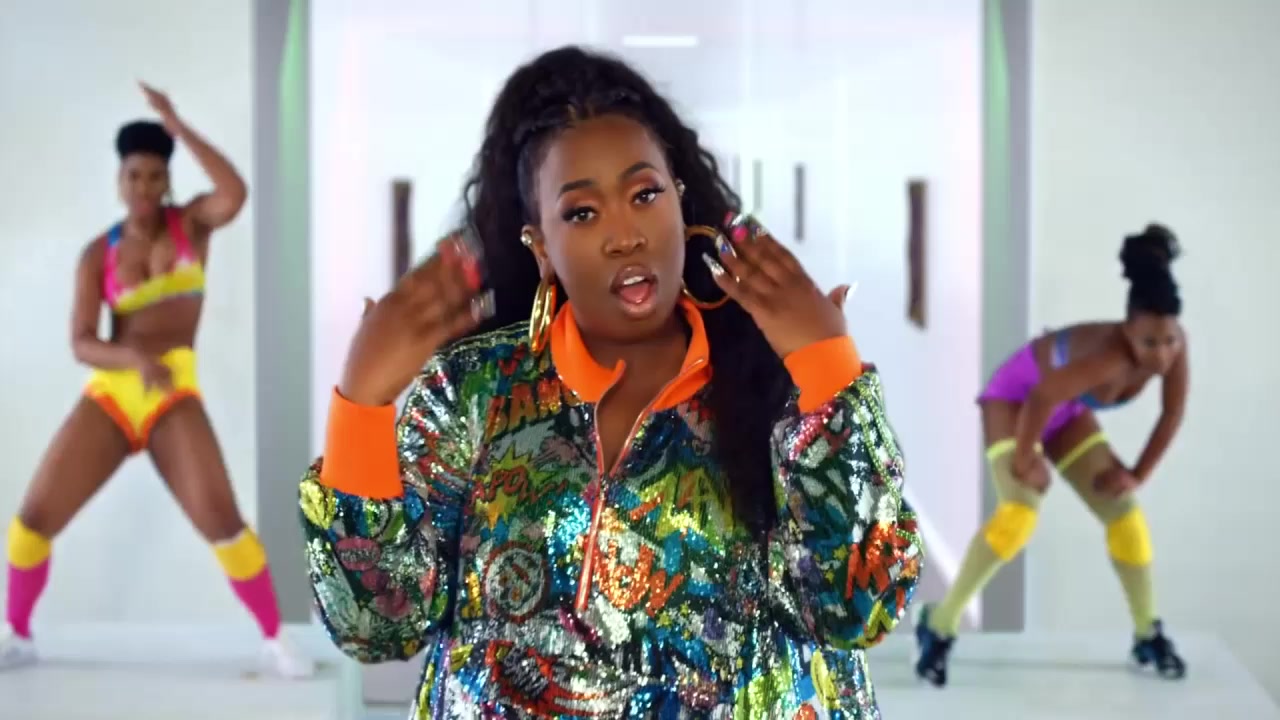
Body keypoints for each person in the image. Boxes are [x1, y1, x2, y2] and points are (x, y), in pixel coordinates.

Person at [299, 46, 921, 717]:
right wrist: (360, 406)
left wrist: (827, 367)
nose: (625, 235)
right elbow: (376, 626)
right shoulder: (470, 393)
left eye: (645, 195)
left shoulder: (782, 385)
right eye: (582, 213)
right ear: (541, 246)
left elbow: (860, 606)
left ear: (680, 202)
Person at [1, 83, 313, 678]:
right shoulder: (98, 254)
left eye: (153, 176)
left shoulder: (191, 225)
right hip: (113, 396)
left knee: (221, 520)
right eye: (133, 176)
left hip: (173, 395)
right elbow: (81, 341)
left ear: (166, 180)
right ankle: (17, 632)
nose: (143, 187)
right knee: (32, 519)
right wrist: (132, 360)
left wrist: (178, 126)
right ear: (118, 181)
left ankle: (275, 639)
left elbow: (235, 192)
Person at [914, 224, 1189, 686]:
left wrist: (1137, 475)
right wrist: (1026, 459)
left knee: (1125, 513)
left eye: (1169, 341)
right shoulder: (1109, 357)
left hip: (1065, 410)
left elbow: (1172, 412)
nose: (1162, 356)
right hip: (1017, 402)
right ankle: (938, 624)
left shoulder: (1175, 347)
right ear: (1128, 331)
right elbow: (1041, 397)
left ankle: (1148, 633)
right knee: (1020, 513)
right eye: (1149, 343)